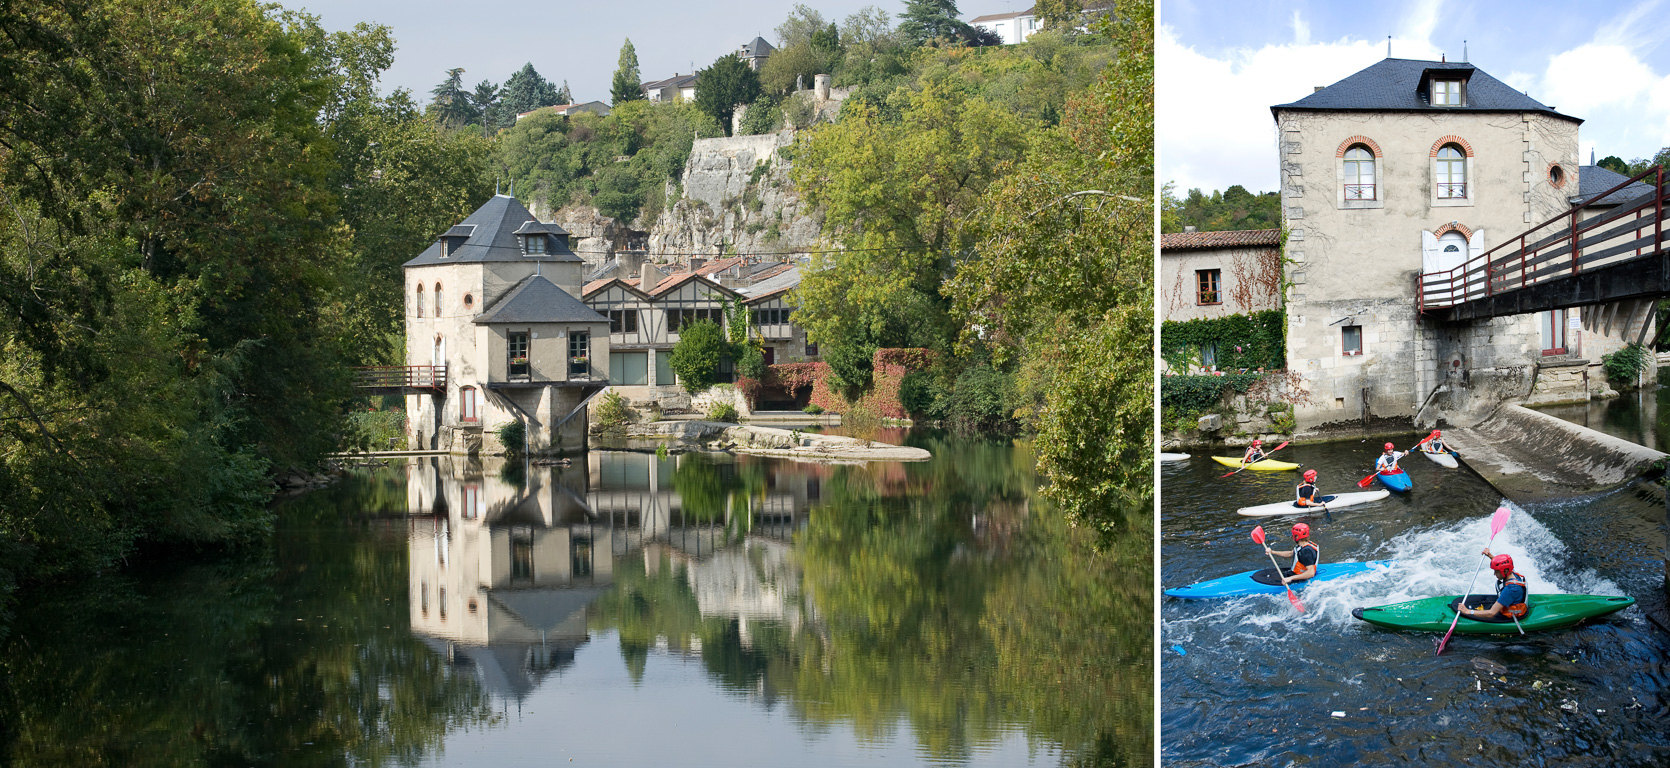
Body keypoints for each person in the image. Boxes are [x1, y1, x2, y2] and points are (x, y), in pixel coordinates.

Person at [1459, 550, 1528, 620]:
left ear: (1506, 571)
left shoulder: (1511, 589)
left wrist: (1467, 611)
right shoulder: (1513, 573)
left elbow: (1491, 613)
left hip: (1511, 612)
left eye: (1496, 571)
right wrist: (1490, 556)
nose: (1494, 574)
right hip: (1511, 602)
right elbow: (1503, 565)